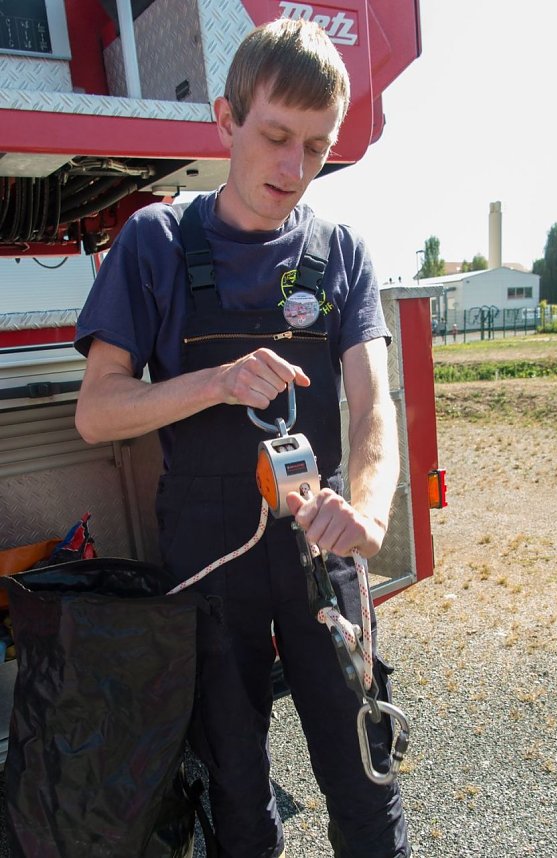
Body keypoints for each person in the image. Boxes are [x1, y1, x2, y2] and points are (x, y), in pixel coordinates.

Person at [75, 18, 408, 858]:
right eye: (275, 137)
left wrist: (364, 513)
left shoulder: (340, 255)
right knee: (236, 787)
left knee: (365, 781)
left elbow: (373, 408)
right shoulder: (157, 242)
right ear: (225, 120)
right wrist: (217, 384)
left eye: (317, 147)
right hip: (210, 558)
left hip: (320, 553)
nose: (295, 170)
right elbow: (98, 410)